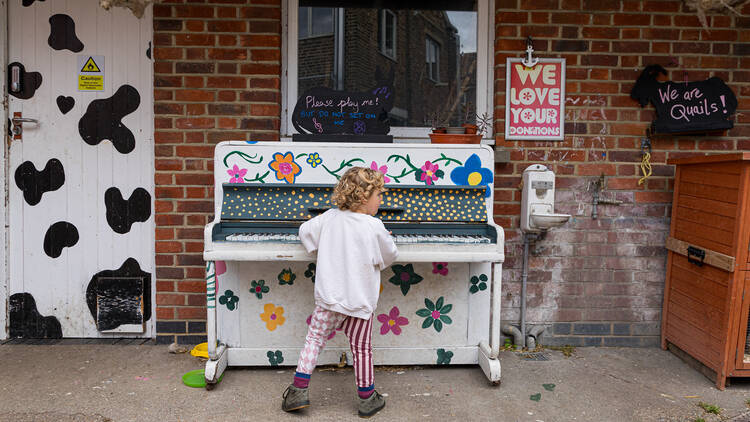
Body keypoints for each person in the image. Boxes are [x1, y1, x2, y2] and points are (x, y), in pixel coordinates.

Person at [282, 167, 398, 418]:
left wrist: (320, 246)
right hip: (359, 303)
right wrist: (385, 239)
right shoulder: (374, 226)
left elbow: (305, 232)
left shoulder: (329, 217)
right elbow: (389, 255)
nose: (381, 200)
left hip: (329, 300)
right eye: (379, 194)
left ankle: (298, 391)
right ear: (364, 197)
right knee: (362, 349)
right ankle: (367, 398)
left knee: (314, 340)